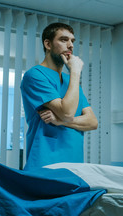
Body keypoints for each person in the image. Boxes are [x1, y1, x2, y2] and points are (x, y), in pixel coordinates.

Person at [21, 22, 98, 171]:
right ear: (48, 44)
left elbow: (92, 122)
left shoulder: (70, 81)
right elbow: (67, 112)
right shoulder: (35, 75)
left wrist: (60, 121)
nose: (70, 46)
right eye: (63, 40)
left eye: (72, 41)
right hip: (45, 164)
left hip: (74, 165)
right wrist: (75, 71)